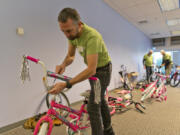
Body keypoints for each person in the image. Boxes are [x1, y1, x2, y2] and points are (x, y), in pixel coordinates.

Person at [49, 7, 115, 135]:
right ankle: (109, 130)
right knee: (99, 99)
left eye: (68, 31)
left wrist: (67, 84)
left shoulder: (92, 37)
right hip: (94, 70)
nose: (67, 35)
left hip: (103, 71)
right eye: (63, 32)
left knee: (93, 106)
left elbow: (91, 70)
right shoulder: (72, 35)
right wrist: (63, 64)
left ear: (79, 25)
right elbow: (70, 56)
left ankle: (106, 130)